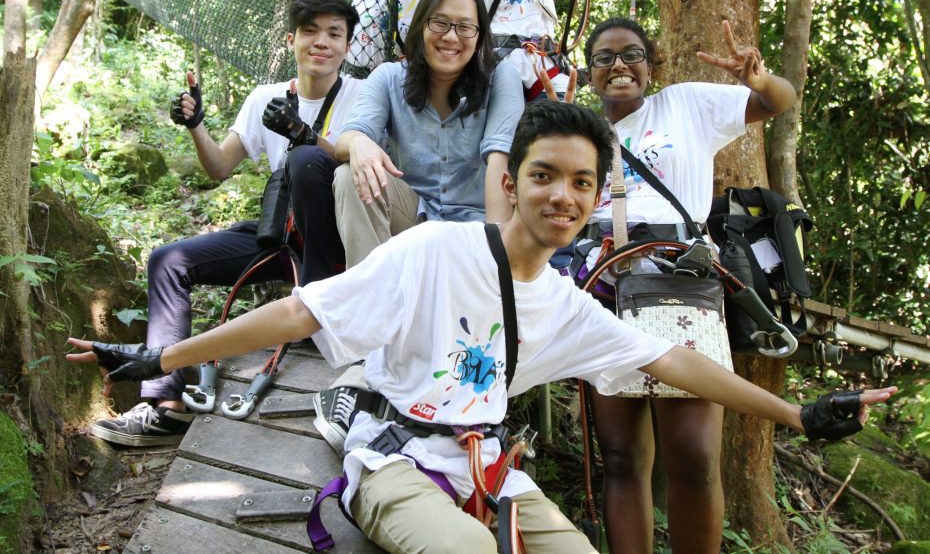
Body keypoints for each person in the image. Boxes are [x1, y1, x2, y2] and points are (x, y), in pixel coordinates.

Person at [68, 101, 896, 554]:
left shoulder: (569, 306)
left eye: (581, 183)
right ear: (512, 183)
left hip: (491, 472)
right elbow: (299, 310)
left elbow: (675, 362)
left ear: (596, 195)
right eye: (544, 176)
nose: (562, 196)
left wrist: (796, 415)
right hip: (395, 463)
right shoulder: (435, 248)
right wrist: (162, 355)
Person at [86, 0, 364, 447]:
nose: (322, 42)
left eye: (334, 34)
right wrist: (196, 124)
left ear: (348, 46)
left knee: (305, 159)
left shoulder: (363, 96)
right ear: (291, 39)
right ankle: (166, 407)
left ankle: (317, 309)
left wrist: (306, 135)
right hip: (281, 237)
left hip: (336, 246)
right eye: (310, 31)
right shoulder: (265, 98)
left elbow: (366, 167)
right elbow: (218, 167)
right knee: (168, 262)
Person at [580, 16, 799, 554]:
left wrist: (758, 78)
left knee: (695, 456)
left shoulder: (684, 104)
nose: (619, 66)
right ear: (590, 74)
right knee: (621, 455)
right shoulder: (580, 131)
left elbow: (778, 101)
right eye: (604, 58)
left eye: (631, 54)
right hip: (606, 286)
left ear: (651, 66)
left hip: (683, 282)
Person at [333, 0, 524, 267]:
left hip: (474, 227)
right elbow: (347, 138)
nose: (451, 36)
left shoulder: (501, 76)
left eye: (465, 27)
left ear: (479, 37)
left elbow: (500, 156)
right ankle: (372, 289)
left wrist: (496, 256)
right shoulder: (389, 77)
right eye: (440, 23)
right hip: (413, 218)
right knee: (350, 173)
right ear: (421, 26)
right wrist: (359, 142)